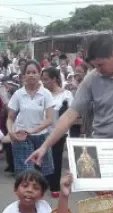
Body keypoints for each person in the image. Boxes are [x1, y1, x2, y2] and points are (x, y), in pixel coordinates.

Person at [27, 34, 113, 168]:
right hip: (102, 150)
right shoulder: (91, 79)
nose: (98, 70)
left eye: (100, 65)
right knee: (105, 192)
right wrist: (45, 147)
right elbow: (70, 115)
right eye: (94, 66)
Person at [6, 61, 55, 177]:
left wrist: (33, 131)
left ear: (39, 75)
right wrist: (11, 132)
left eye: (34, 72)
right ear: (24, 76)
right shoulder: (18, 94)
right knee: (25, 174)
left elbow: (50, 119)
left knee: (45, 172)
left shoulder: (46, 94)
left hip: (42, 137)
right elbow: (10, 118)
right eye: (28, 72)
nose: (31, 75)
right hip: (22, 137)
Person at [41, 67, 72, 197]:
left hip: (59, 132)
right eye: (42, 80)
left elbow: (72, 114)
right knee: (44, 157)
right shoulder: (42, 94)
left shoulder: (66, 95)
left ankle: (55, 187)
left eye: (46, 79)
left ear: (54, 79)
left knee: (56, 158)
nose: (43, 82)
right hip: (43, 130)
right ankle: (44, 182)